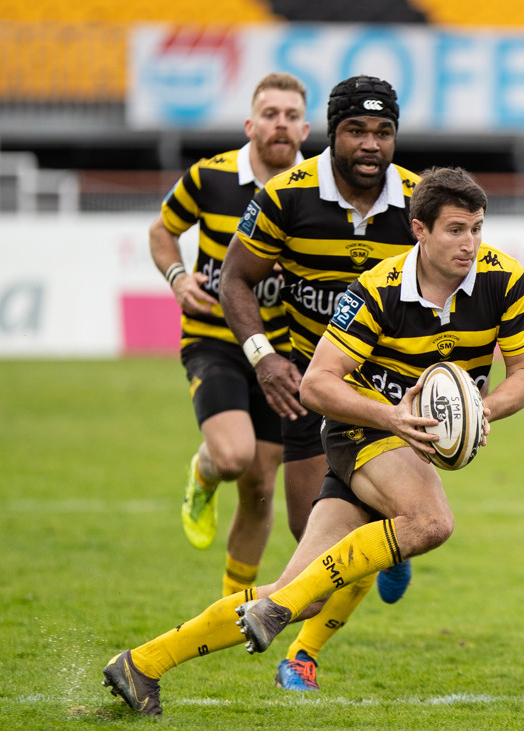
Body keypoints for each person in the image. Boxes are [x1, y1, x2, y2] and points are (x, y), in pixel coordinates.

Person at [103, 166, 524, 717]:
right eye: (455, 230)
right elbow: (316, 384)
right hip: (361, 429)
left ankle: (142, 664)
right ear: (419, 230)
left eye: (477, 228)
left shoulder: (506, 280)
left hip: (410, 438)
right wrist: (392, 416)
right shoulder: (378, 289)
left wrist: (479, 411)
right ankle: (303, 601)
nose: (470, 243)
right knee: (431, 522)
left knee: (303, 592)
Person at [217, 75, 421, 692]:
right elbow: (233, 279)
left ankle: (302, 655)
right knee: (315, 544)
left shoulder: (420, 202)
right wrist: (263, 358)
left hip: (395, 398)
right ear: (332, 133)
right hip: (313, 389)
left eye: (382, 131)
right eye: (355, 130)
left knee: (374, 533)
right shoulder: (286, 196)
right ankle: (386, 553)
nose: (369, 144)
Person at [149, 73, 309, 596]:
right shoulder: (210, 177)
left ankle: (229, 608)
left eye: (290, 115)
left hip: (282, 356)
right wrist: (177, 278)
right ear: (250, 124)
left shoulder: (315, 193)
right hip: (215, 339)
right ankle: (203, 472)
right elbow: (162, 232)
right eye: (270, 114)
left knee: (261, 488)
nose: (280, 123)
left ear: (305, 129)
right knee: (235, 457)